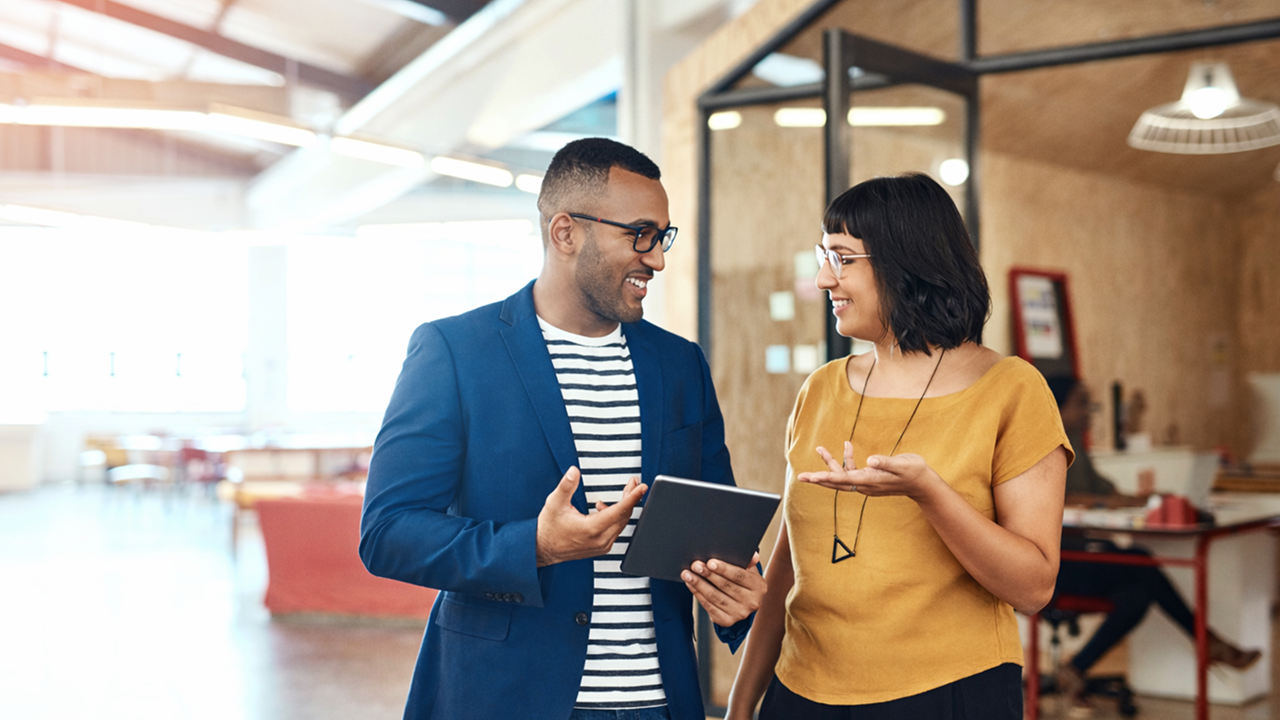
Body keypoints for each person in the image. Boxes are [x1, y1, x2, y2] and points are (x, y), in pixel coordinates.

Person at [359, 137, 766, 720]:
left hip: (658, 702)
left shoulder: (680, 364)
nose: (656, 258)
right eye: (640, 234)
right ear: (566, 232)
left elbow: (717, 529)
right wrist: (536, 546)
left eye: (662, 236)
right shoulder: (454, 350)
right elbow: (387, 532)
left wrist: (738, 595)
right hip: (506, 699)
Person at [725, 173, 1072, 720]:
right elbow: (789, 568)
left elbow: (1033, 587)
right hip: (802, 692)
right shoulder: (819, 389)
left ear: (904, 263)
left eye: (842, 258)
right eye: (823, 256)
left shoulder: (1012, 389)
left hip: (949, 693)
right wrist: (740, 708)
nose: (822, 279)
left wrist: (929, 493)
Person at [1047, 376, 1262, 715]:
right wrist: (1105, 504)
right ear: (1058, 407)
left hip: (1084, 553)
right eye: (1082, 403)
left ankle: (1074, 670)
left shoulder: (1078, 444)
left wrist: (1142, 498)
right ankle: (1208, 641)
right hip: (1059, 565)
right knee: (1142, 565)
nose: (1090, 411)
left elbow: (1106, 492)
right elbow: (1061, 499)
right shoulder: (1047, 444)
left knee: (1139, 590)